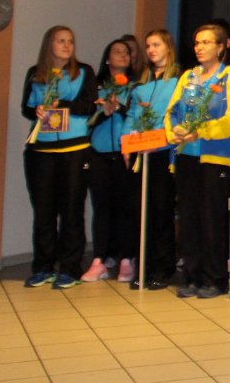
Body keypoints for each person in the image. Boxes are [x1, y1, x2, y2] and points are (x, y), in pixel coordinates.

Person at [166, 24, 230, 298]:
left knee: (213, 218)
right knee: (189, 218)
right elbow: (172, 111)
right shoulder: (188, 76)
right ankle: (192, 276)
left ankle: (216, 278)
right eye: (197, 42)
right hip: (187, 155)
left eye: (206, 42)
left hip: (217, 157)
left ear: (221, 47)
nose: (199, 47)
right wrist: (174, 131)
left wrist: (201, 131)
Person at [21, 26, 97, 289]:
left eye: (70, 41)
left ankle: (70, 268)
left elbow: (88, 106)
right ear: (49, 44)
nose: (67, 45)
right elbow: (26, 108)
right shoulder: (35, 73)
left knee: (72, 211)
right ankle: (43, 267)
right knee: (43, 211)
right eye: (61, 41)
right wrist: (36, 109)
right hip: (40, 151)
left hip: (74, 149)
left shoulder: (84, 71)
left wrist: (62, 105)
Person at [122, 29, 181, 290]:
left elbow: (179, 113)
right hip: (140, 153)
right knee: (140, 211)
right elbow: (131, 115)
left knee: (161, 209)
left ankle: (163, 266)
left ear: (168, 47)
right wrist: (126, 142)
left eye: (156, 45)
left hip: (163, 152)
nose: (151, 50)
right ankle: (143, 266)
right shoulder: (141, 84)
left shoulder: (178, 81)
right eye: (148, 46)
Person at [82, 39, 137, 284]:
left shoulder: (136, 87)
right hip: (99, 153)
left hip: (126, 154)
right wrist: (103, 112)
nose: (123, 55)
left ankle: (126, 258)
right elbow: (86, 121)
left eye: (126, 52)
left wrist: (121, 108)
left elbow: (138, 117)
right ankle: (99, 259)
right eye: (117, 52)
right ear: (107, 59)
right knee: (101, 207)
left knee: (126, 207)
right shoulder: (96, 87)